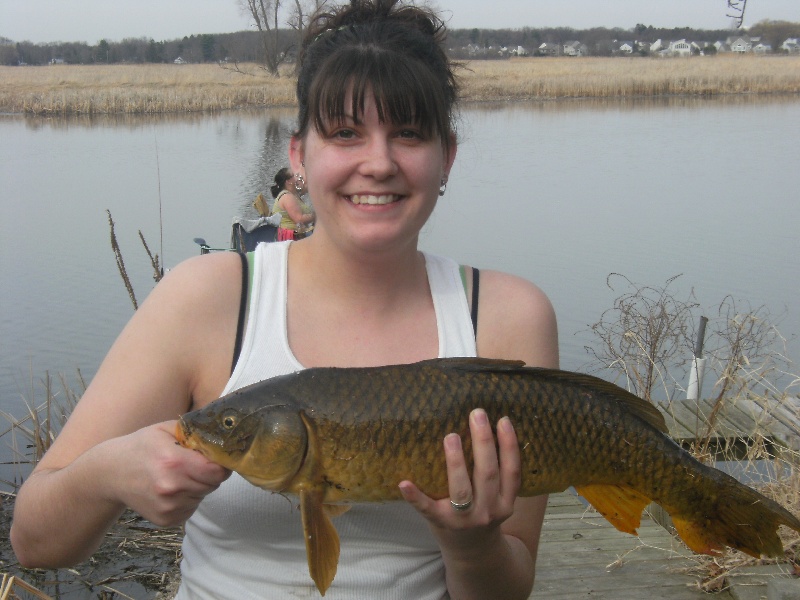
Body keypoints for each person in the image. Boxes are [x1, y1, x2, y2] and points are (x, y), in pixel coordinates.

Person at [10, 1, 558, 598]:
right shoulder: (204, 298)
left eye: (407, 133)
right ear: (298, 155)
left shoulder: (509, 317)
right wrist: (108, 473)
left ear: (446, 155)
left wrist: (473, 545)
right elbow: (36, 542)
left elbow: (510, 587)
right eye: (346, 133)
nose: (378, 163)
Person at [270, 166, 316, 240]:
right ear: (288, 181)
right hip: (294, 237)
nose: (297, 176)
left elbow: (309, 187)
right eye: (294, 175)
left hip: (301, 234)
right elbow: (299, 219)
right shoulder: (287, 197)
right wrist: (317, 216)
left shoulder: (293, 194)